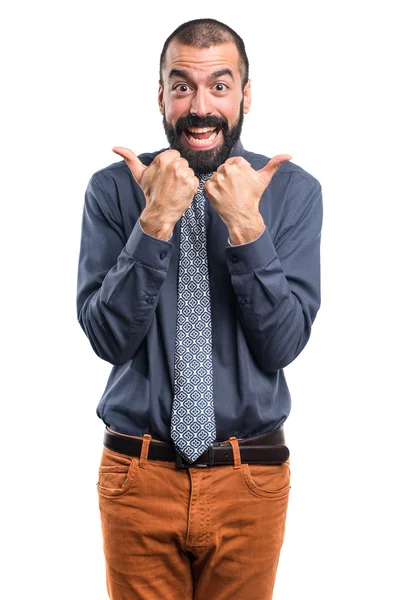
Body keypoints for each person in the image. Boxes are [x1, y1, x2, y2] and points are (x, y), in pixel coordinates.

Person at [76, 17, 323, 600]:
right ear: (161, 95)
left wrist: (246, 225)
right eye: (182, 85)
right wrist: (154, 220)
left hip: (251, 480)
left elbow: (283, 344)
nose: (200, 106)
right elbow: (108, 339)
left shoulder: (293, 192)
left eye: (219, 85)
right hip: (137, 476)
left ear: (245, 94)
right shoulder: (113, 191)